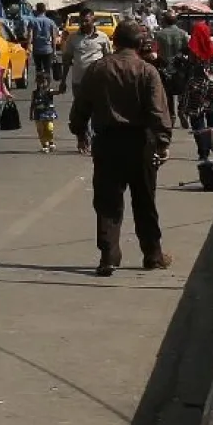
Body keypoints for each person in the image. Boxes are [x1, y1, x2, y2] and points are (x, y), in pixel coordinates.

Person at [69, 21, 174, 276]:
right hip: (141, 143)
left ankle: (109, 255)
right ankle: (153, 254)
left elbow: (81, 104)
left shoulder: (98, 68)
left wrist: (79, 130)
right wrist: (163, 143)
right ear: (139, 43)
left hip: (107, 143)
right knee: (145, 200)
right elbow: (158, 112)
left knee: (107, 201)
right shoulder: (147, 71)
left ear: (114, 42)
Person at [181, 22, 213, 166]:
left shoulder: (189, 52)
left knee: (197, 121)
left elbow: (185, 73)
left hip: (195, 89)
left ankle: (203, 153)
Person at [59, 9, 112, 110]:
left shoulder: (103, 37)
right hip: (79, 82)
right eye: (81, 21)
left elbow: (109, 60)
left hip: (97, 82)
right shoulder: (72, 38)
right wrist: (63, 81)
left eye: (86, 21)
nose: (83, 24)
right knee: (80, 111)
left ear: (93, 20)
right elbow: (67, 60)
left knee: (98, 111)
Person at [151, 12, 190, 123]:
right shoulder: (183, 34)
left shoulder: (159, 34)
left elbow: (154, 51)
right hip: (180, 67)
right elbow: (188, 49)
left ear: (164, 21)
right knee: (182, 91)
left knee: (168, 94)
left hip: (164, 67)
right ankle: (182, 110)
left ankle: (171, 116)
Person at [26, 3, 60, 81]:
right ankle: (46, 87)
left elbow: (30, 35)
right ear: (45, 10)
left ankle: (39, 86)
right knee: (47, 69)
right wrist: (54, 51)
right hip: (48, 50)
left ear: (36, 10)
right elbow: (54, 37)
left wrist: (28, 46)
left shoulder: (32, 21)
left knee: (38, 69)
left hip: (37, 49)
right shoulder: (51, 22)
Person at [30, 72, 58, 152]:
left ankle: (51, 142)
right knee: (40, 130)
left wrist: (60, 90)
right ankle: (44, 145)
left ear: (48, 82)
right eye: (39, 82)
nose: (41, 84)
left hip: (48, 113)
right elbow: (32, 104)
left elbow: (56, 92)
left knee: (49, 128)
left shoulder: (49, 91)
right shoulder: (34, 93)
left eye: (43, 82)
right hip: (38, 114)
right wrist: (31, 114)